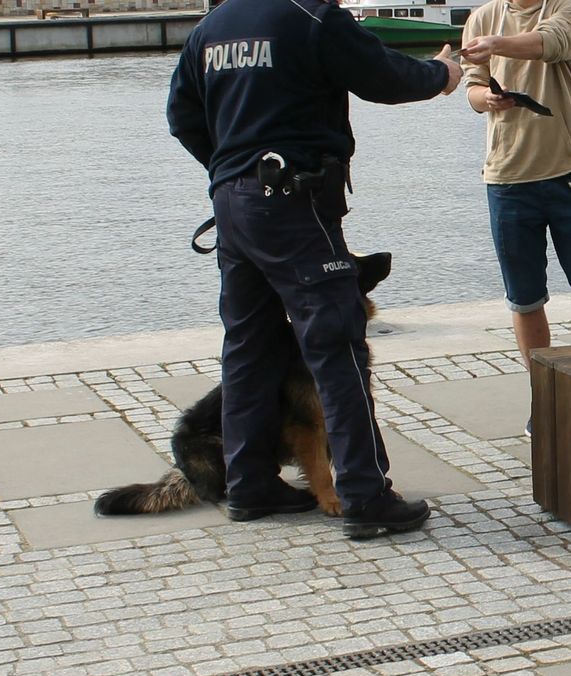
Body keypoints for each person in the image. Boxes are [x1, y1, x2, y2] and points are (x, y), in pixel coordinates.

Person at [165, 0, 462, 539]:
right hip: (294, 202)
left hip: (233, 204)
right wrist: (443, 74)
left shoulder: (212, 26)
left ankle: (250, 485)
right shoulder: (311, 16)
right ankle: (365, 496)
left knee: (249, 345)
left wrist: (230, 168)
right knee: (337, 341)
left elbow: (181, 116)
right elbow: (384, 76)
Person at [459, 0, 571, 437]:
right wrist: (486, 98)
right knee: (525, 299)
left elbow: (552, 42)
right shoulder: (480, 16)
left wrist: (496, 44)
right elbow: (471, 89)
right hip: (506, 180)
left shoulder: (567, 5)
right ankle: (545, 400)